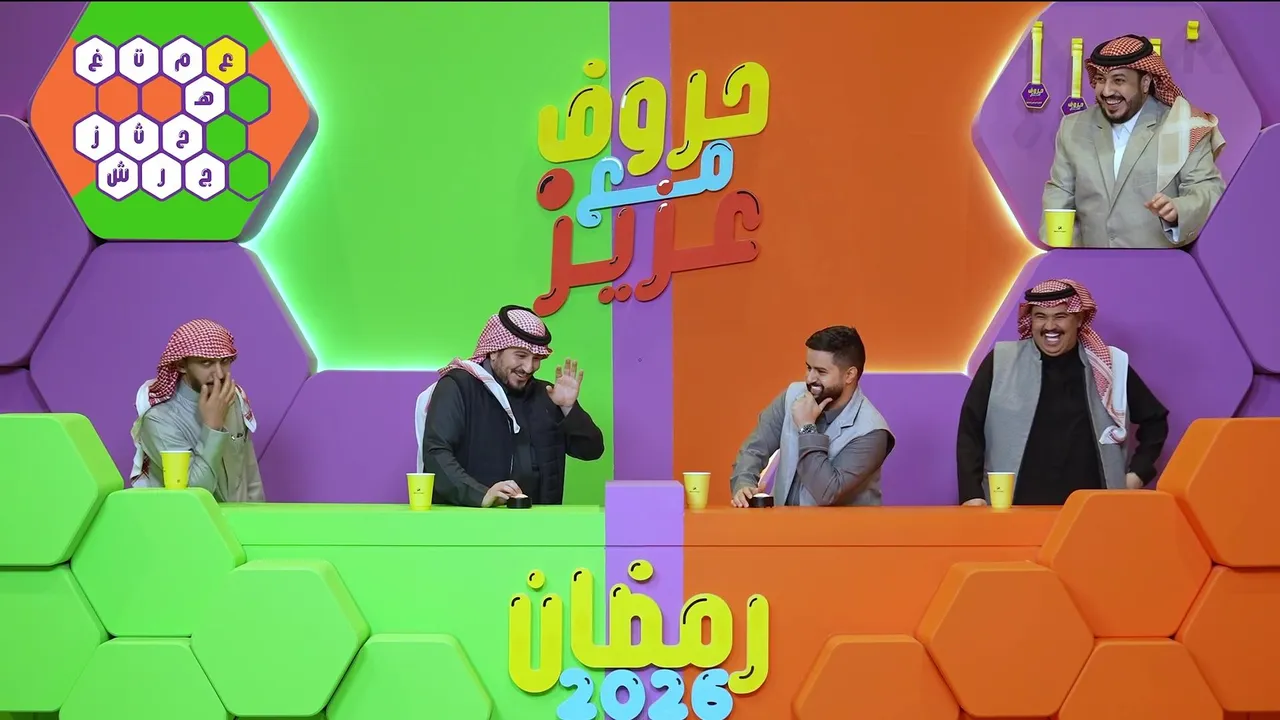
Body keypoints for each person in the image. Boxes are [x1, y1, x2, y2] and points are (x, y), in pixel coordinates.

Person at [956, 279, 1170, 506]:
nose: (1050, 326)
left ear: (1079, 319)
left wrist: (1137, 474)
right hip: (1013, 508)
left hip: (1092, 510)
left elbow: (1155, 420)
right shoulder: (1001, 361)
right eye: (1040, 316)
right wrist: (972, 494)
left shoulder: (1109, 366)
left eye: (1060, 316)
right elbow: (970, 431)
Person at [1040, 34, 1226, 249]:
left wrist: (1180, 210)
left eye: (1118, 81)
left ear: (1145, 82)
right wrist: (1064, 255)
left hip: (1158, 265)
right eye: (1100, 79)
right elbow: (1060, 192)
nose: (1107, 91)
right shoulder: (1073, 126)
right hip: (1091, 264)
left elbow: (1207, 189)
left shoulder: (1182, 125)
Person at [416, 305, 604, 508]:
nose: (529, 367)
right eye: (520, 356)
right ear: (493, 352)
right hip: (475, 518)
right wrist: (480, 495)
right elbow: (436, 453)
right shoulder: (458, 387)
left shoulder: (547, 394)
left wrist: (569, 408)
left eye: (536, 359)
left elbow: (591, 450)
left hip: (540, 522)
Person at [729, 326, 896, 508]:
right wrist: (743, 483)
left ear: (849, 375)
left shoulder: (871, 432)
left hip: (841, 527)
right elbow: (754, 449)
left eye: (821, 372)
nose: (809, 378)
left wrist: (807, 427)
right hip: (783, 524)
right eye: (809, 368)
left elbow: (828, 492)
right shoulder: (792, 396)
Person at [129, 319, 265, 503]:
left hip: (241, 519)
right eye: (206, 363)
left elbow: (250, 476)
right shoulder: (159, 420)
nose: (219, 374)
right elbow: (195, 496)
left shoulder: (233, 400)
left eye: (224, 361)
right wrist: (213, 427)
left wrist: (259, 517)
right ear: (181, 365)